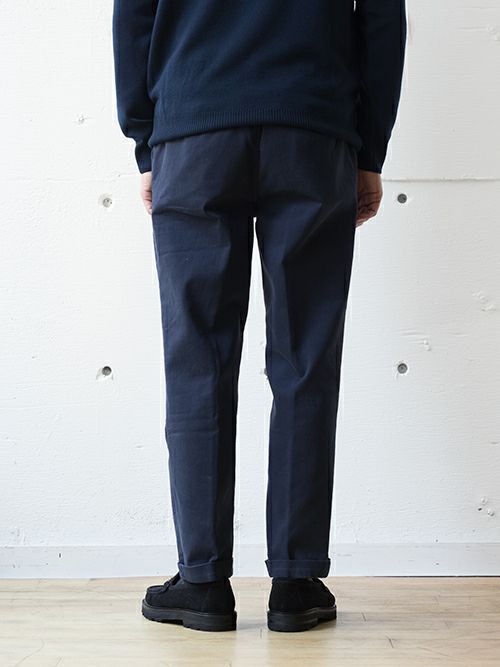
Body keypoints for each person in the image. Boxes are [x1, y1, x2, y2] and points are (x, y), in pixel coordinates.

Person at [112, 0, 406, 633]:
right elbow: (382, 18)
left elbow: (134, 15)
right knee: (306, 359)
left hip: (194, 127)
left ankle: (202, 583)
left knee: (197, 358)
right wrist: (369, 148)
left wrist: (147, 139)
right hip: (313, 126)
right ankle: (296, 583)